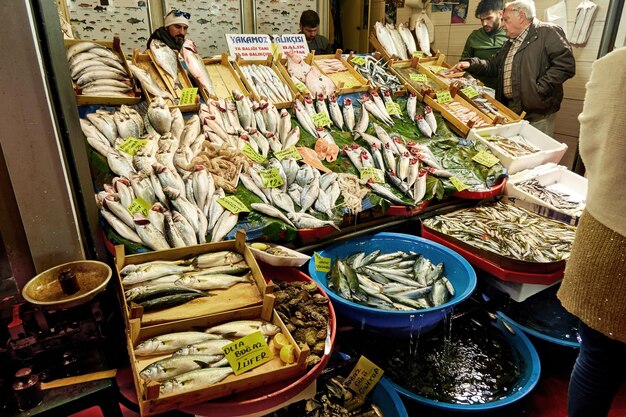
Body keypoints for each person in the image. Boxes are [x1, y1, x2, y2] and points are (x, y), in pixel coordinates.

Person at [557, 47, 626, 417]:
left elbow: (591, 143)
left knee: (598, 357)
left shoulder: (615, 64)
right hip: (609, 235)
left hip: (607, 232)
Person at [450, 0, 575, 136]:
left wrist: (538, 89)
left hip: (537, 112)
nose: (503, 24)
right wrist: (471, 64)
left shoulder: (547, 31)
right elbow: (493, 65)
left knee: (536, 151)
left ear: (521, 16)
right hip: (511, 109)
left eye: (506, 20)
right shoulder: (510, 42)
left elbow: (565, 65)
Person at [460, 0, 507, 89]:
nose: (484, 23)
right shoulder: (474, 36)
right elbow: (463, 62)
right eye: (482, 19)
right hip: (476, 89)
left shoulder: (510, 34)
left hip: (501, 92)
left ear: (500, 14)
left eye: (489, 18)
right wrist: (469, 80)